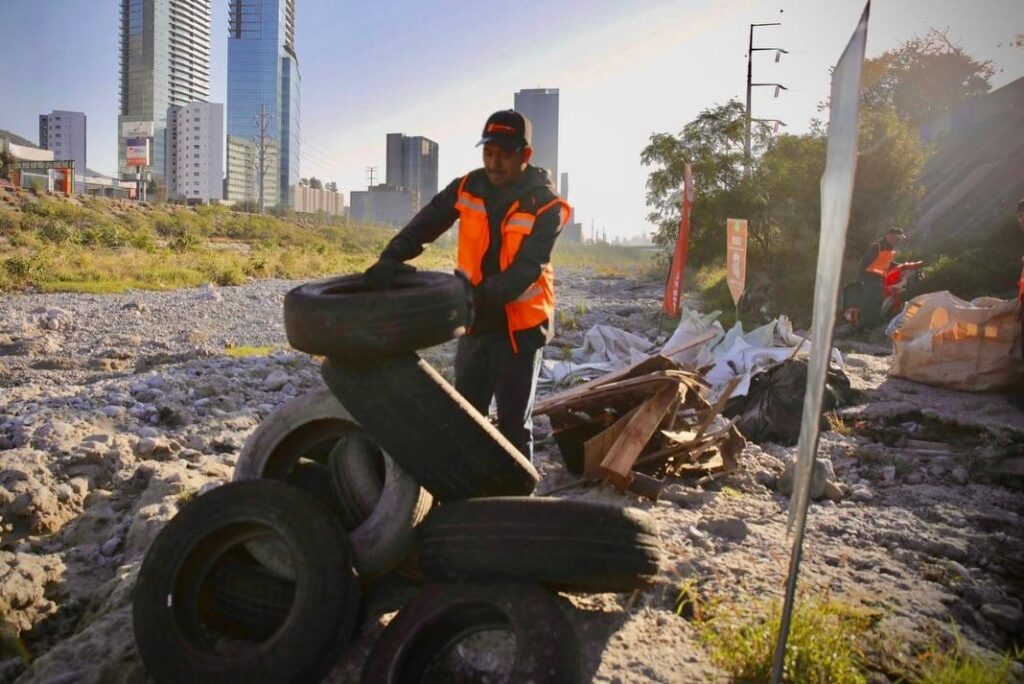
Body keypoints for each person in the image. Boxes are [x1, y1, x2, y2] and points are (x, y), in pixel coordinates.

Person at [363, 110, 571, 461]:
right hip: (475, 322)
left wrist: (475, 297)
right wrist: (391, 258)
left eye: (504, 155)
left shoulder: (545, 204)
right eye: (489, 153)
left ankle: (514, 501)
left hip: (519, 328)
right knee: (467, 418)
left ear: (525, 155)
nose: (494, 162)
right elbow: (427, 221)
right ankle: (469, 494)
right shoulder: (468, 186)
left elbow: (527, 268)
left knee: (512, 426)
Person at [857, 228, 905, 329]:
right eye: (897, 239)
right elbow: (863, 263)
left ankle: (873, 327)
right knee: (868, 303)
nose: (898, 241)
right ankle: (863, 328)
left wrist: (902, 266)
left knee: (877, 303)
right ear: (890, 237)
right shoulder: (877, 246)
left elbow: (887, 263)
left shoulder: (890, 250)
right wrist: (860, 280)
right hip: (869, 279)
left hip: (879, 281)